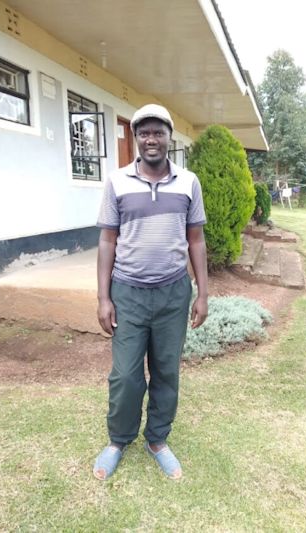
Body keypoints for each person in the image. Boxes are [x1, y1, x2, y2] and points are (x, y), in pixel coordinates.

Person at [93, 104, 208, 481]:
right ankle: (118, 439)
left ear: (169, 137)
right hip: (128, 293)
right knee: (125, 376)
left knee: (166, 371)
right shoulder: (117, 182)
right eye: (144, 133)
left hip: (173, 292)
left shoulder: (188, 182)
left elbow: (196, 240)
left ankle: (157, 439)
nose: (151, 139)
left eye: (158, 132)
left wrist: (202, 293)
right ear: (136, 138)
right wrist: (103, 297)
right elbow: (107, 240)